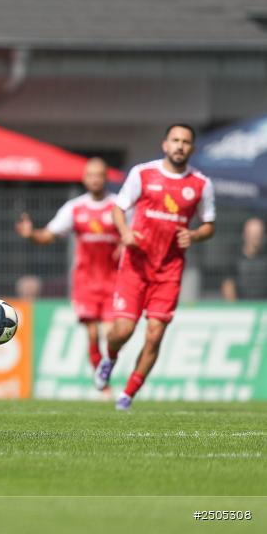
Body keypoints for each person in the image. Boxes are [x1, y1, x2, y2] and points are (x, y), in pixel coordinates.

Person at [95, 124, 215, 410]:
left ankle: (127, 395)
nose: (180, 146)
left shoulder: (201, 184)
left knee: (155, 334)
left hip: (169, 271)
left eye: (185, 142)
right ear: (165, 144)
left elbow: (209, 225)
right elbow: (118, 208)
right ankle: (110, 357)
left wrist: (195, 235)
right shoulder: (143, 174)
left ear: (191, 148)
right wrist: (125, 233)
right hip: (136, 266)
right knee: (122, 330)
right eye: (175, 140)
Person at [16, 157, 120, 372]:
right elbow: (48, 235)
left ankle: (107, 366)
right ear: (84, 179)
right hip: (85, 282)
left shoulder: (119, 206)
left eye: (99, 175)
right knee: (93, 333)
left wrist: (127, 245)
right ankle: (101, 378)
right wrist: (31, 234)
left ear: (105, 178)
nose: (95, 180)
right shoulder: (75, 208)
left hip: (115, 281)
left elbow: (137, 233)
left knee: (112, 334)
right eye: (91, 175)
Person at [222, 217, 267, 301]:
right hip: (242, 306)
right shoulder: (234, 259)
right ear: (244, 235)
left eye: (259, 233)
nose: (256, 236)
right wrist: (234, 307)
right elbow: (228, 285)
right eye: (252, 233)